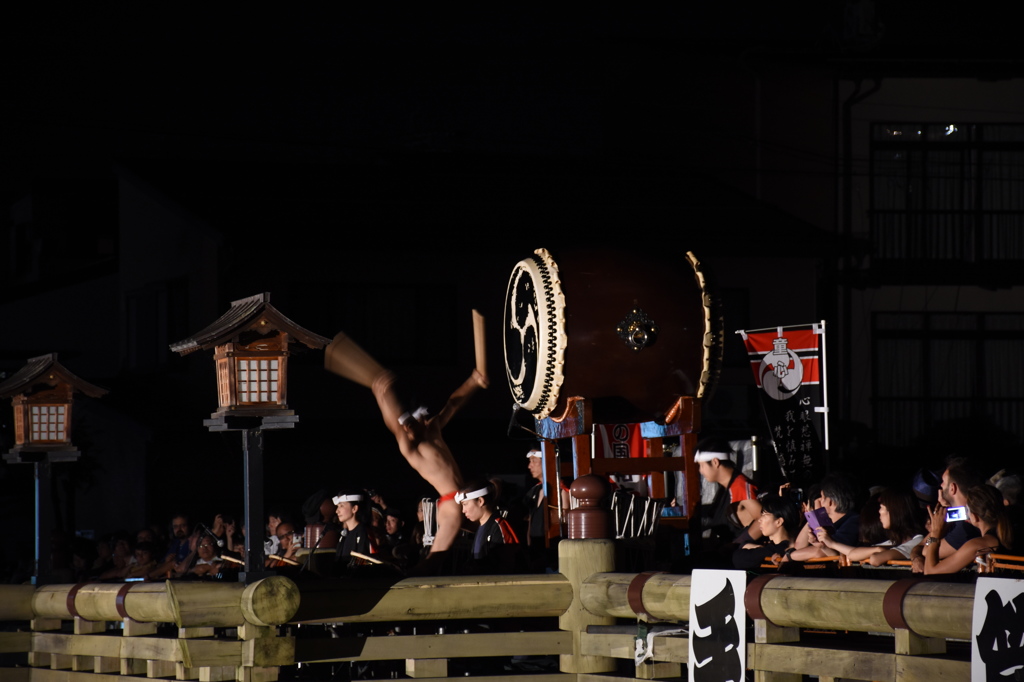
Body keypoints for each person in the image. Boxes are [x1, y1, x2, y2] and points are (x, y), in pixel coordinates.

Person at [910, 457, 984, 571]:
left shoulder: (966, 527)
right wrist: (916, 556)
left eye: (943, 482)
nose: (940, 488)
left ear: (952, 488)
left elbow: (925, 550)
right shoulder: (958, 516)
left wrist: (936, 533)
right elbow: (920, 546)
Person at [816, 489, 924, 565]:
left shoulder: (918, 540)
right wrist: (831, 544)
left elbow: (875, 559)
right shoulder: (894, 541)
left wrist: (877, 550)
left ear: (894, 512)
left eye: (881, 507)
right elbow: (853, 554)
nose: (879, 512)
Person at [923, 485, 1013, 575]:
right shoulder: (1010, 531)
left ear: (974, 516)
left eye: (967, 510)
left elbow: (930, 571)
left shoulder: (978, 544)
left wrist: (935, 532)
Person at [695, 439, 759, 544]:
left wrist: (737, 544)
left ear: (715, 462)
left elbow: (763, 520)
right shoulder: (724, 489)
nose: (700, 471)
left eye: (701, 466)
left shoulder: (739, 486)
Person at [786, 472, 861, 562]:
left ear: (830, 502)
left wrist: (789, 555)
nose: (819, 501)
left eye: (822, 497)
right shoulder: (832, 523)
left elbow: (820, 552)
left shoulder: (854, 521)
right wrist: (813, 516)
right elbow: (799, 547)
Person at [457, 480, 519, 564]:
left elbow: (507, 564)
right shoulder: (482, 527)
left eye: (465, 504)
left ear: (480, 501)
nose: (463, 510)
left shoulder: (499, 527)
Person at [733, 494, 801, 569]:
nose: (760, 520)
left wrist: (761, 550)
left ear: (779, 522)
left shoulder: (783, 549)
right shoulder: (772, 548)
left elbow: (737, 557)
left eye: (765, 515)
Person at [334, 489, 375, 567]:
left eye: (341, 506)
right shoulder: (344, 534)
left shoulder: (363, 532)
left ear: (354, 509)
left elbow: (365, 563)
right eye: (337, 506)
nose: (337, 511)